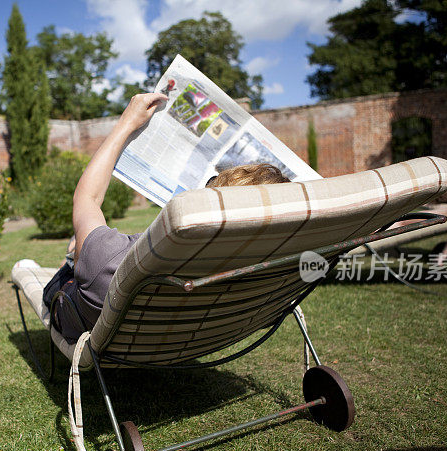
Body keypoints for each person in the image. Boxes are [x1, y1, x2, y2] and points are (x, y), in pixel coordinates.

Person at [41, 92, 289, 344]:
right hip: (188, 337)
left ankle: (73, 252)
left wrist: (126, 123)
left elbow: (87, 199)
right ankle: (78, 248)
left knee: (77, 257)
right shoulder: (267, 279)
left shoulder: (110, 260)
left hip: (75, 307)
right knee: (85, 247)